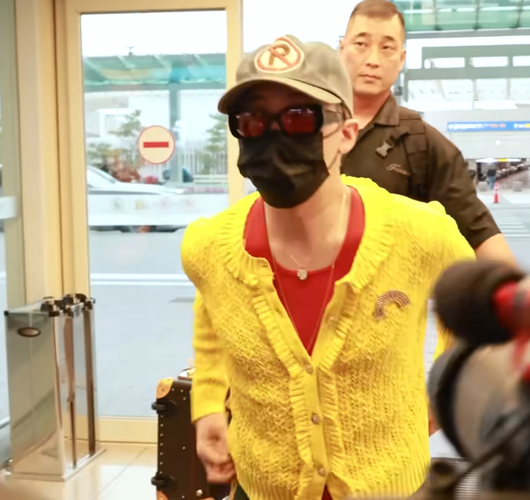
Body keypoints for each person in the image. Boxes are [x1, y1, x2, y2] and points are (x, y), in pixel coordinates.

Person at [181, 35, 475, 500]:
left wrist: (443, 399)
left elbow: (478, 320)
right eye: (252, 120)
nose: (273, 136)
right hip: (263, 488)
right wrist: (209, 403)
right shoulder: (210, 246)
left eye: (300, 117)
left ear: (347, 133)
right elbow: (214, 312)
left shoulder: (419, 234)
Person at [339, 0, 515, 266]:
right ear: (342, 49)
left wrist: (516, 288)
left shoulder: (421, 143)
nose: (373, 60)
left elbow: (479, 234)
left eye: (387, 48)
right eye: (361, 44)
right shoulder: (306, 126)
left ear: (401, 59)